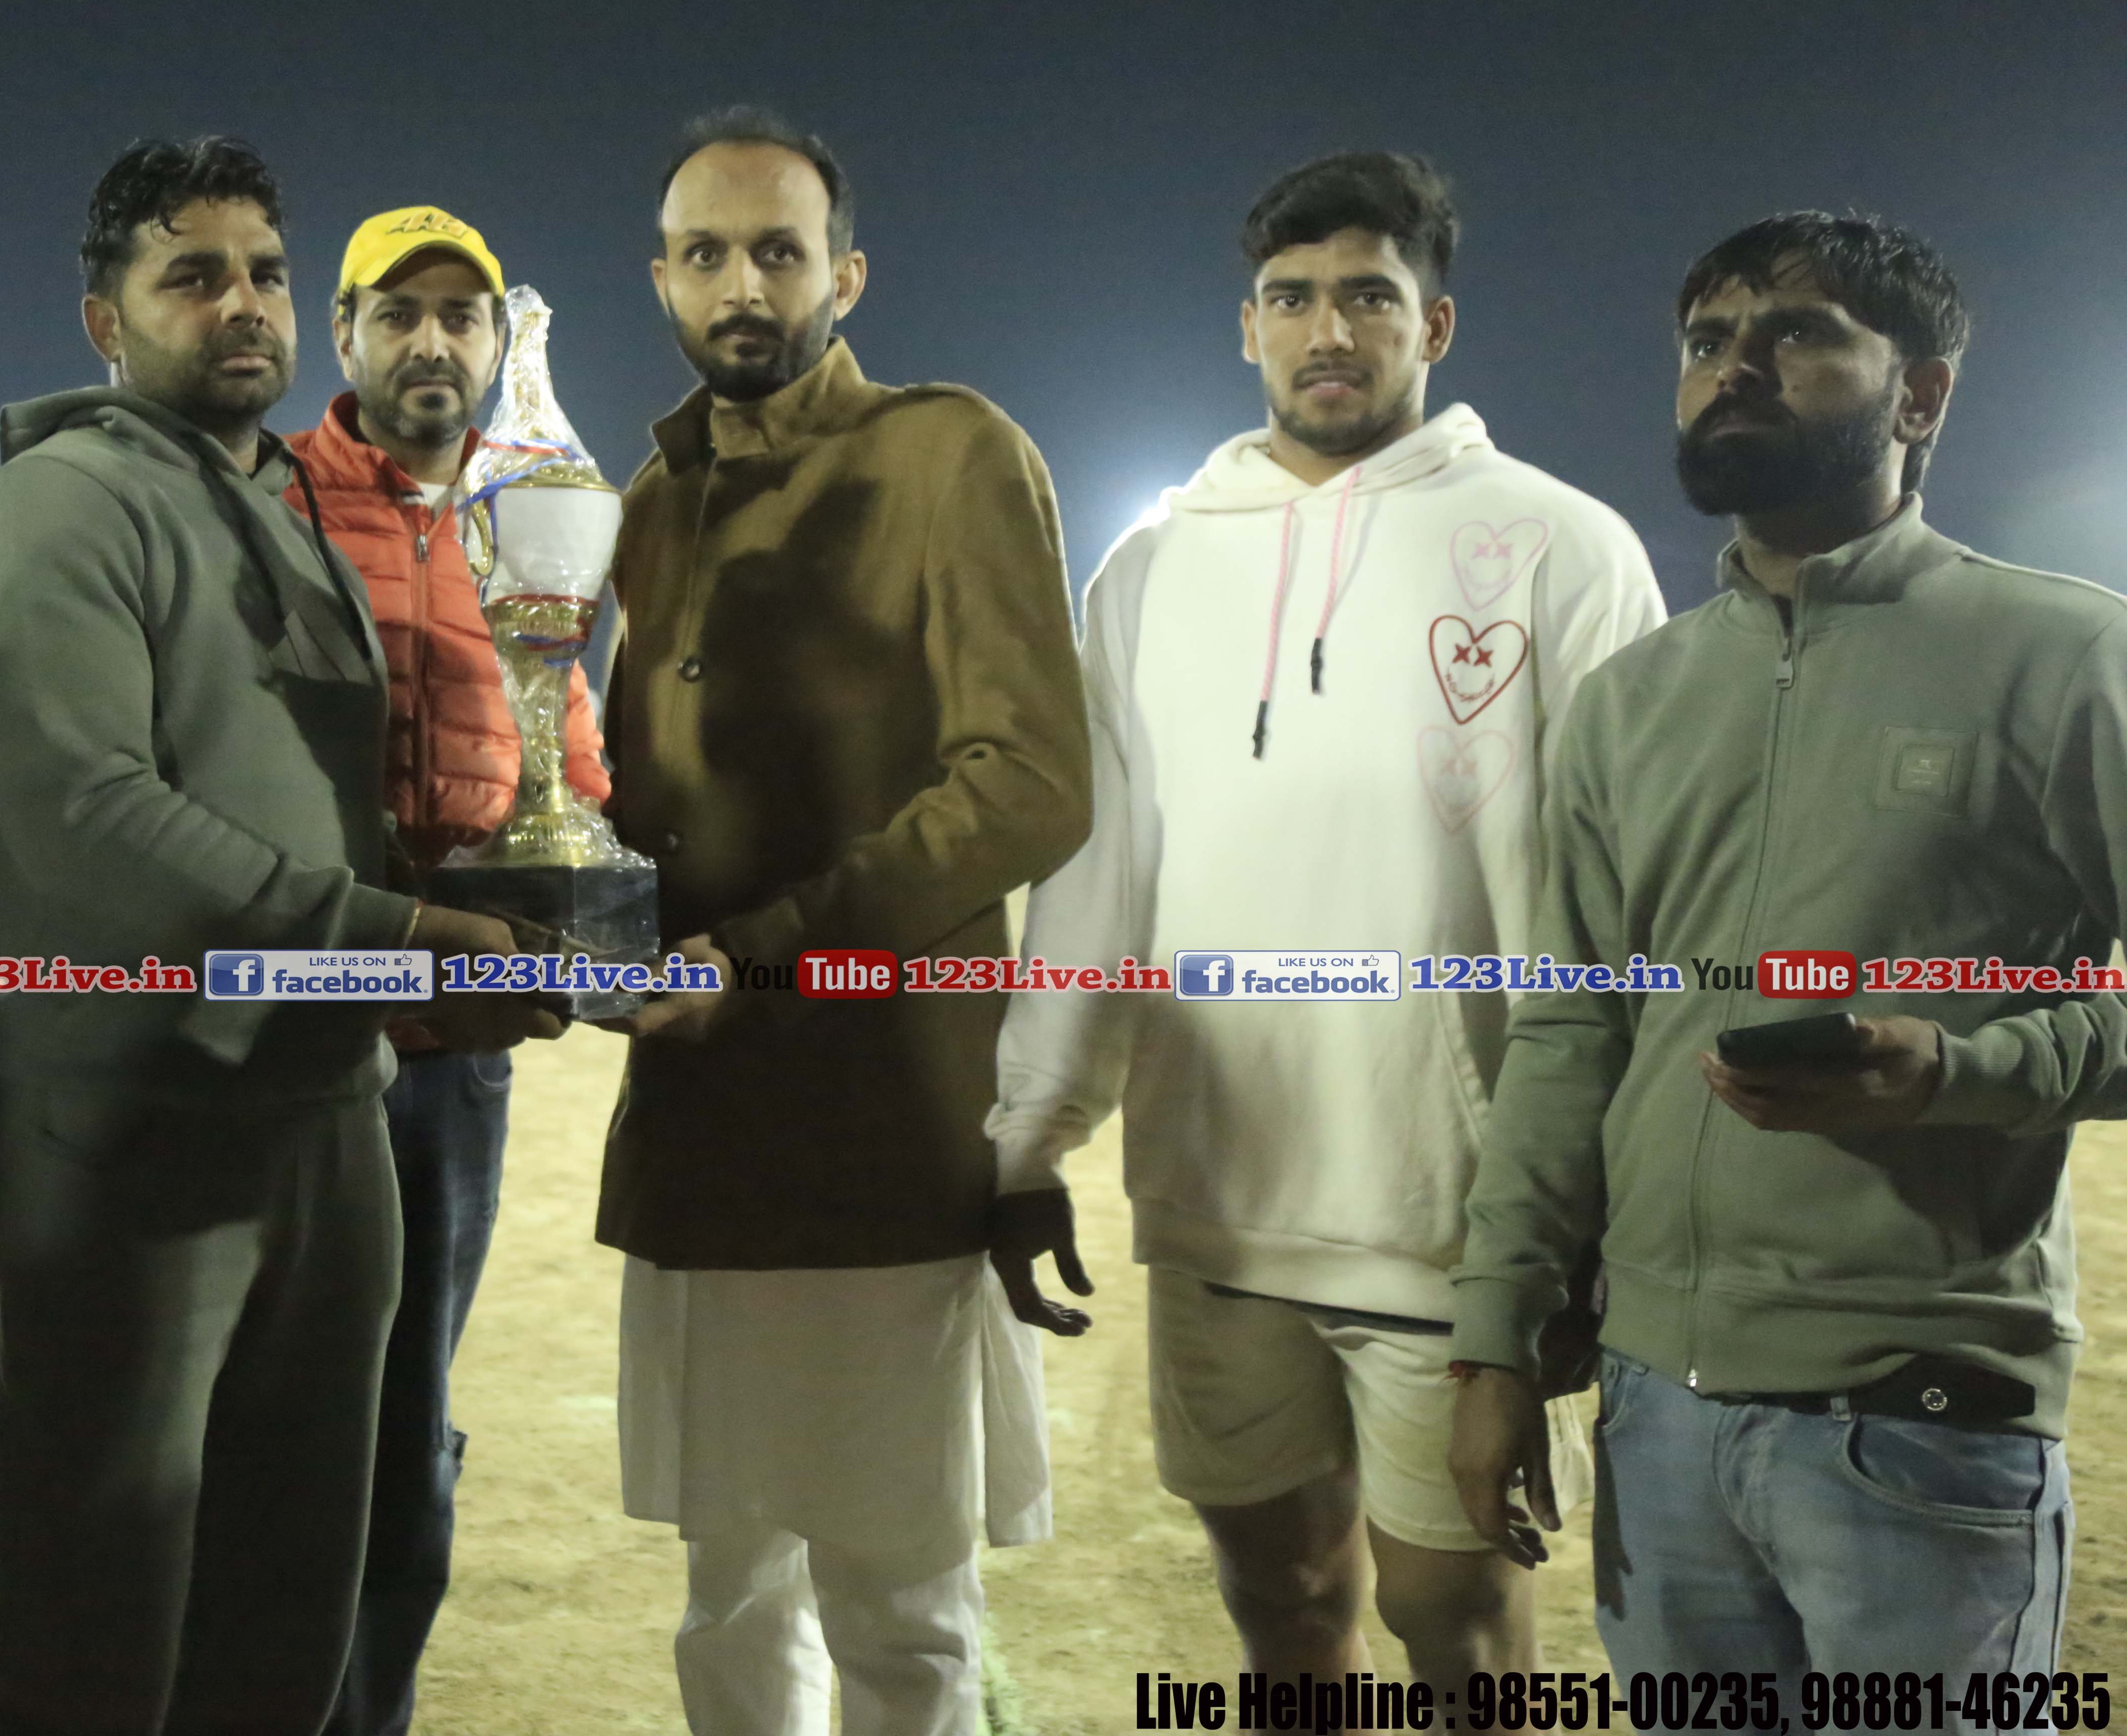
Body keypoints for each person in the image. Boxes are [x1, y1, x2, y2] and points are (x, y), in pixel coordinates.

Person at [985, 152, 1665, 1680]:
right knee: (1283, 1606)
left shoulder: (1564, 548)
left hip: (1456, 1221)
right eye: (1292, 299)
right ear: (1248, 328)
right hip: (1219, 1205)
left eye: (1369, 296)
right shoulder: (1151, 570)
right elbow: (1098, 882)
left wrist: (1589, 1213)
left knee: (1458, 1624)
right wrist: (1030, 1138)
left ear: (1437, 324)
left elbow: (1624, 903)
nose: (1329, 331)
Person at [0, 136, 556, 1736]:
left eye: (266, 273)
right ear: (105, 320)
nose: (243, 305)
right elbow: (91, 822)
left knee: (287, 1625)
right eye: (192, 276)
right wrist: (395, 938)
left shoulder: (285, 513)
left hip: (326, 1122)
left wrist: (528, 914)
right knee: (99, 1624)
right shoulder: (53, 509)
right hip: (138, 1139)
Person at [1451, 212, 2098, 1687]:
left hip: (1922, 1420)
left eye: (1797, 332)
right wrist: (1496, 1339)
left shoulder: (2063, 660)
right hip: (1657, 1419)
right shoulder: (1632, 702)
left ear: (1920, 395)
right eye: (1706, 341)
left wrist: (1957, 1070)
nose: (1734, 366)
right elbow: (1570, 1033)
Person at [598, 106, 1091, 1735]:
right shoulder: (646, 502)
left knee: (899, 1600)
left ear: (846, 276)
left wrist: (763, 950)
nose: (743, 286)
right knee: (727, 1585)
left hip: (880, 1127)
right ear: (661, 279)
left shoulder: (949, 455)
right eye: (707, 254)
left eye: (779, 251)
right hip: (698, 1123)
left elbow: (1027, 784)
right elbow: (639, 799)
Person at [284, 206, 609, 1736]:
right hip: (282, 1039)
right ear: (344, 334)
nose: (432, 341)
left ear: (494, 345)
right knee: (270, 1411)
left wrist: (596, 910)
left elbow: (569, 756)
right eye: (399, 311)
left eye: (461, 316)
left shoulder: (530, 521)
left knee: (408, 1423)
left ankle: (373, 1714)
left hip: (449, 1064)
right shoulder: (270, 497)